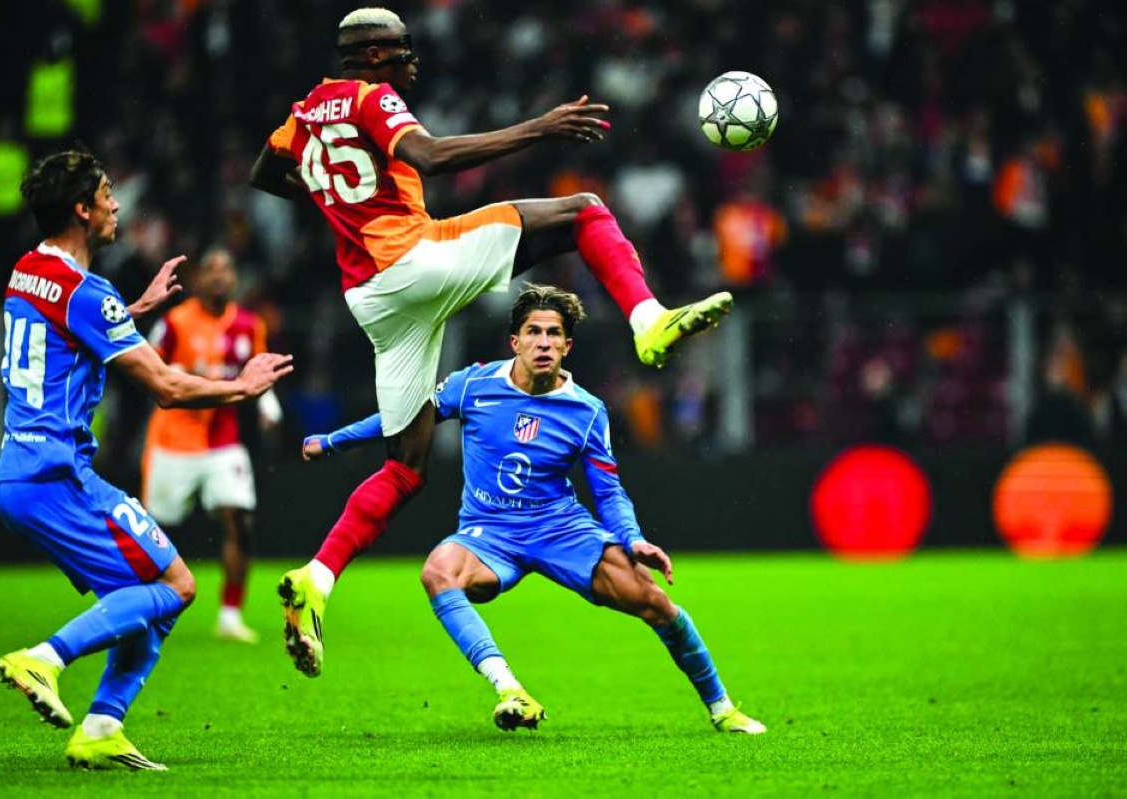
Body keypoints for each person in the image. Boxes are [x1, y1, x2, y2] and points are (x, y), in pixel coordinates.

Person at [250, 6, 735, 678]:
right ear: (369, 55)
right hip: (414, 260)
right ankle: (648, 318)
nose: (411, 59)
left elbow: (263, 175)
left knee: (406, 464)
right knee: (585, 210)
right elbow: (433, 155)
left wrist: (337, 200)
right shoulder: (371, 97)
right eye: (401, 48)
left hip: (370, 297)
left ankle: (318, 576)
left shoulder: (303, 115)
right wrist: (540, 128)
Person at [303, 284, 765, 735]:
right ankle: (511, 690)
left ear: (567, 345)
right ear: (515, 341)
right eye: (533, 331)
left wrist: (633, 538)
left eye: (552, 333)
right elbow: (402, 417)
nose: (543, 342)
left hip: (560, 530)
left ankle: (723, 709)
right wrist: (333, 440)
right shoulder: (473, 385)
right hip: (489, 533)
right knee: (438, 572)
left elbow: (608, 492)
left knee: (656, 603)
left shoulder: (586, 411)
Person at [0, 149, 293, 770]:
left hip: (18, 473)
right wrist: (242, 385)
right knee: (176, 584)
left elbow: (69, 331)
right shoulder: (87, 291)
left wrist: (132, 314)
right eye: (106, 193)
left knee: (146, 593)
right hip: (58, 476)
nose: (116, 204)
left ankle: (103, 727)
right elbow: (167, 388)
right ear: (81, 208)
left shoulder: (27, 271)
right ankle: (45, 659)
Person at [140, 247, 282, 643]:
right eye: (212, 269)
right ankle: (148, 611)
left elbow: (258, 371)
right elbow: (147, 366)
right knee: (157, 534)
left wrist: (269, 406)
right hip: (173, 441)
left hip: (224, 441)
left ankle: (230, 615)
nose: (219, 276)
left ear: (234, 278)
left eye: (227, 268)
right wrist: (172, 372)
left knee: (241, 520)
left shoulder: (249, 324)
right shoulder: (174, 322)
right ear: (200, 278)